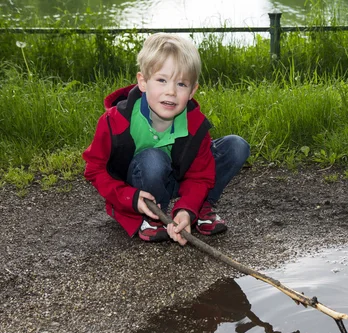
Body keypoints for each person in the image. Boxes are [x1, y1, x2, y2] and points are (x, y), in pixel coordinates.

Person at [82, 33, 249, 244]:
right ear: (143, 82)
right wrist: (129, 197)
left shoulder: (195, 124)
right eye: (161, 80)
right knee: (153, 159)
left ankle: (198, 205)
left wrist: (187, 208)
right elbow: (94, 170)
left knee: (236, 146)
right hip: (140, 183)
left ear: (192, 91)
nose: (170, 91)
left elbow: (200, 175)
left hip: (179, 179)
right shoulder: (115, 121)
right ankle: (153, 215)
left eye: (181, 84)